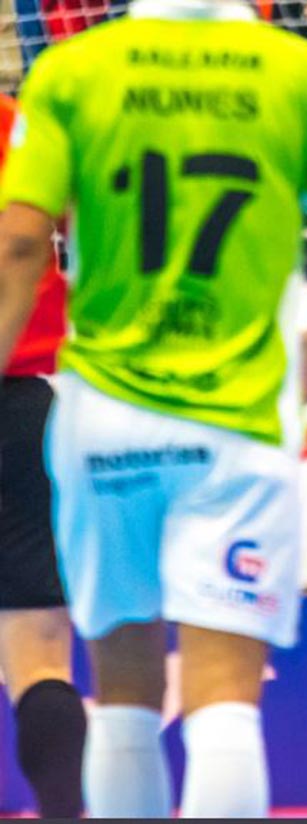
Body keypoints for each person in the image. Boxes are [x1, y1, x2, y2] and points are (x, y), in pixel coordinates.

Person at [0, 0, 307, 816]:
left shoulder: (72, 72)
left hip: (104, 414)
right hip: (235, 420)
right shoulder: (305, 72)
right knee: (223, 701)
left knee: (124, 700)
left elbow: (18, 243)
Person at [0, 92, 85, 820]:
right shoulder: (18, 123)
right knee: (39, 657)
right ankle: (63, 809)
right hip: (24, 400)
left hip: (24, 400)